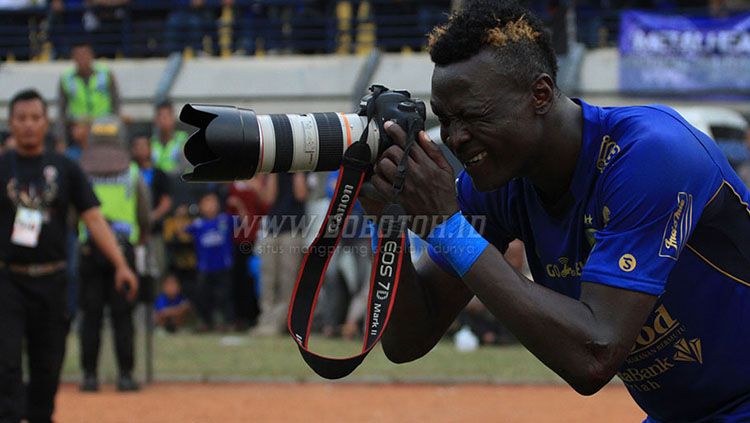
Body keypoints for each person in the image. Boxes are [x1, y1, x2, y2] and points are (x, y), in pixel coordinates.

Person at [364, 2, 750, 422]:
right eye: (446, 119)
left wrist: (450, 228)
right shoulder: (500, 180)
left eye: (473, 116)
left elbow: (594, 356)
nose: (456, 138)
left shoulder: (650, 155)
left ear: (540, 95)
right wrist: (388, 223)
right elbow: (406, 341)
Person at [0, 89, 138, 423]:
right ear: (11, 123)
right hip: (8, 281)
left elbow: (93, 218)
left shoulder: (65, 168)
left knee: (48, 366)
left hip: (53, 280)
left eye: (36, 118)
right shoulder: (2, 166)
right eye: (22, 119)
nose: (29, 125)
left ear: (46, 123)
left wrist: (121, 264)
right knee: (6, 364)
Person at [77, 118, 150, 393]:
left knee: (91, 315)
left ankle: (90, 377)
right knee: (123, 316)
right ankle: (125, 376)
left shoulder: (82, 172)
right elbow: (144, 213)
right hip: (123, 249)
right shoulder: (132, 173)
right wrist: (138, 239)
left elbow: (74, 214)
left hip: (89, 248)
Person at [254, 173, 308, 336]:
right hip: (272, 229)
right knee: (268, 277)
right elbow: (269, 198)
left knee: (288, 279)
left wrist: (298, 169)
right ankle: (266, 318)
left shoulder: (304, 170)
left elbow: (301, 194)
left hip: (293, 230)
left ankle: (280, 322)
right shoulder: (273, 169)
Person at [226, 176, 275, 330]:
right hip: (235, 239)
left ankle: (254, 316)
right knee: (238, 279)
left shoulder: (260, 182)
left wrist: (257, 189)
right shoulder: (234, 186)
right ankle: (240, 317)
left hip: (255, 238)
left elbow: (266, 207)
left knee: (255, 279)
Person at [186, 191, 235, 331]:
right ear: (200, 206)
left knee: (224, 296)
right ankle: (206, 322)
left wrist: (239, 205)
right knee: (204, 296)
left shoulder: (224, 220)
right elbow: (182, 230)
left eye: (213, 202)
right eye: (206, 202)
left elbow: (244, 222)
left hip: (223, 267)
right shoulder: (198, 224)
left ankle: (226, 321)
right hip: (205, 268)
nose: (211, 206)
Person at [131, 134, 172, 281]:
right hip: (134, 234)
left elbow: (166, 202)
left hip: (154, 232)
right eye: (137, 146)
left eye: (144, 146)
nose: (141, 150)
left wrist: (150, 218)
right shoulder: (129, 173)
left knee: (158, 270)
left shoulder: (159, 174)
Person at [58, 41, 121, 130]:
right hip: (79, 126)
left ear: (91, 56)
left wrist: (116, 122)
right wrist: (61, 137)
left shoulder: (106, 74)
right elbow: (62, 109)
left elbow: (116, 101)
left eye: (85, 55)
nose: (82, 59)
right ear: (73, 58)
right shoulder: (67, 78)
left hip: (104, 124)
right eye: (78, 56)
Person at [150, 100, 190, 176]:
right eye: (159, 116)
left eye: (166, 116)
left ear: (173, 118)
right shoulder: (151, 142)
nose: (162, 120)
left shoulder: (183, 139)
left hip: (178, 183)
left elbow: (185, 166)